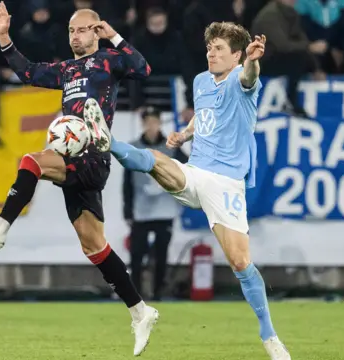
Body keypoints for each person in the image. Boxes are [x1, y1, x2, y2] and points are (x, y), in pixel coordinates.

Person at [0, 2, 158, 356]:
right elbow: (29, 72)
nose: (75, 36)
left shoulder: (109, 60)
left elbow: (143, 68)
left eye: (82, 30)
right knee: (92, 244)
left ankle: (0, 227)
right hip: (72, 155)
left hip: (92, 154)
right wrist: (4, 39)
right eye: (71, 31)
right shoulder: (67, 70)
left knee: (32, 160)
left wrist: (115, 36)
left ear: (95, 31)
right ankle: (141, 311)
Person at [99, 22, 292, 359]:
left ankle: (270, 336)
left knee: (240, 262)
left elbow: (249, 78)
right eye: (209, 48)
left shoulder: (241, 78)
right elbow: (204, 115)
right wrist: (185, 135)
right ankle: (107, 139)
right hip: (196, 171)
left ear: (236, 55)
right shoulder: (201, 82)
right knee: (156, 162)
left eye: (219, 49)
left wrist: (254, 60)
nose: (211, 53)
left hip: (226, 182)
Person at [123, 107, 188, 301]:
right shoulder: (133, 148)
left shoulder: (172, 148)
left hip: (165, 209)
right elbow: (127, 183)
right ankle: (134, 293)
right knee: (136, 254)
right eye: (148, 122)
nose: (151, 126)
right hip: (141, 211)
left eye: (155, 121)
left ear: (160, 123)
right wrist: (127, 210)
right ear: (143, 124)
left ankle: (159, 291)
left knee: (161, 254)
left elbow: (188, 169)